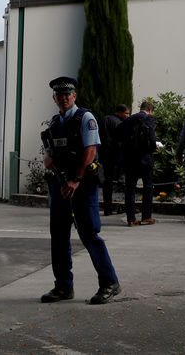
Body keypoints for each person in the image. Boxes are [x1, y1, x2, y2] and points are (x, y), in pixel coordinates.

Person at [40, 76, 120, 304]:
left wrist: (75, 179)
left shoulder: (85, 118)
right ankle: (63, 286)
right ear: (54, 98)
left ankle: (109, 283)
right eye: (59, 95)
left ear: (74, 96)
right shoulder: (55, 123)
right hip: (61, 184)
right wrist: (49, 161)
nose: (63, 98)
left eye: (68, 94)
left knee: (89, 234)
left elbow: (90, 151)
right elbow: (48, 154)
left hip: (82, 184)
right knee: (59, 235)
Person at [121, 101, 158, 227]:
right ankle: (146, 216)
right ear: (150, 110)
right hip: (145, 159)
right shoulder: (149, 119)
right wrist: (154, 147)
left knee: (130, 188)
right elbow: (152, 139)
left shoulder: (128, 120)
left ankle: (131, 219)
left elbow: (120, 136)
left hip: (130, 159)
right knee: (148, 187)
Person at [99, 104, 130, 216]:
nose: (128, 116)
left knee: (107, 182)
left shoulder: (104, 120)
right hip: (115, 156)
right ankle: (125, 207)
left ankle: (107, 209)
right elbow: (121, 140)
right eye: (126, 113)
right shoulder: (119, 123)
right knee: (122, 182)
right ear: (120, 112)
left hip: (104, 156)